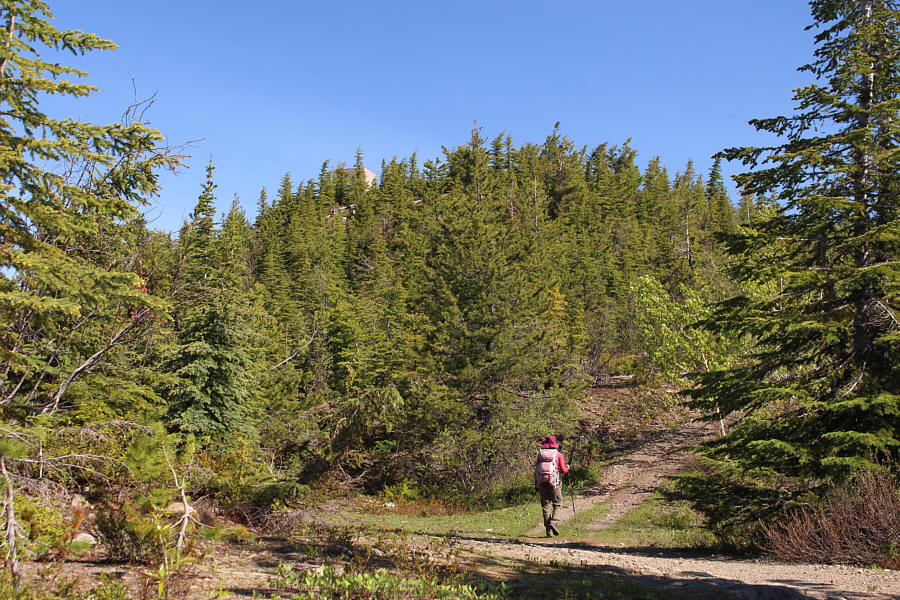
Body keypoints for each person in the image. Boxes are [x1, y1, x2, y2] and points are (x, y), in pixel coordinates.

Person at [533, 435, 569, 537]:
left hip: (541, 483)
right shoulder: (558, 455)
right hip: (554, 484)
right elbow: (564, 470)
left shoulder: (540, 455)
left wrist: (536, 484)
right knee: (558, 504)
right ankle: (554, 522)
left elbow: (536, 470)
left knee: (545, 506)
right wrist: (568, 467)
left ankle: (548, 532)